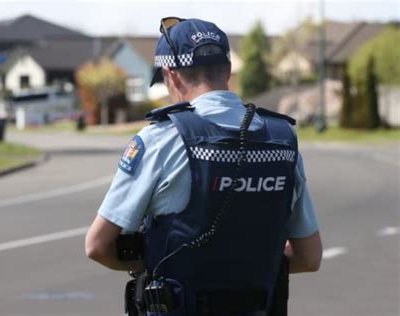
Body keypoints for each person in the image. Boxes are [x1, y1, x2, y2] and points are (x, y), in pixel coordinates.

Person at [86, 17, 322, 315]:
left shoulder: (160, 139)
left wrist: (160, 266)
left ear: (171, 73)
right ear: (228, 69)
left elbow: (97, 246)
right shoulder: (283, 140)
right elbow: (309, 258)